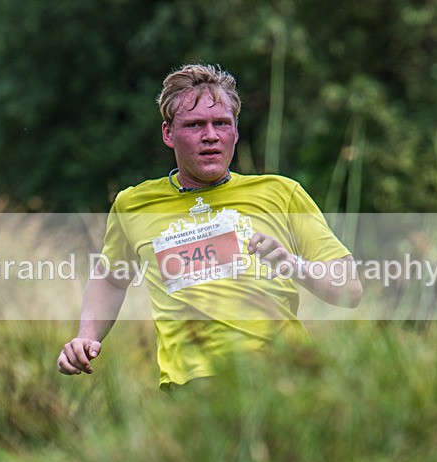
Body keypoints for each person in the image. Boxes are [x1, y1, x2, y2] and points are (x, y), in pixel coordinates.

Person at [57, 63, 362, 387]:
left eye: (221, 123)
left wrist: (292, 264)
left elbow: (350, 289)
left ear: (236, 131)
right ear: (168, 133)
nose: (211, 136)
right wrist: (86, 337)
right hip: (193, 389)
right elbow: (111, 279)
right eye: (195, 125)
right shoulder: (133, 204)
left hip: (283, 378)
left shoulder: (281, 193)